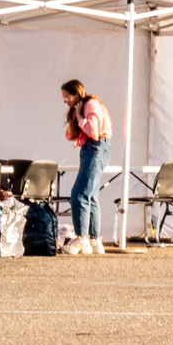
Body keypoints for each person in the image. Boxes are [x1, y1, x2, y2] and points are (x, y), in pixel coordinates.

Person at [60, 78, 112, 255]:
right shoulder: (84, 106)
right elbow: (71, 135)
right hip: (94, 148)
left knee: (79, 194)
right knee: (91, 195)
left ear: (76, 94)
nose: (65, 101)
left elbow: (93, 131)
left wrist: (80, 117)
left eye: (67, 96)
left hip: (96, 148)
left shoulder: (91, 104)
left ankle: (82, 238)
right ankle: (94, 240)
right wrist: (76, 118)